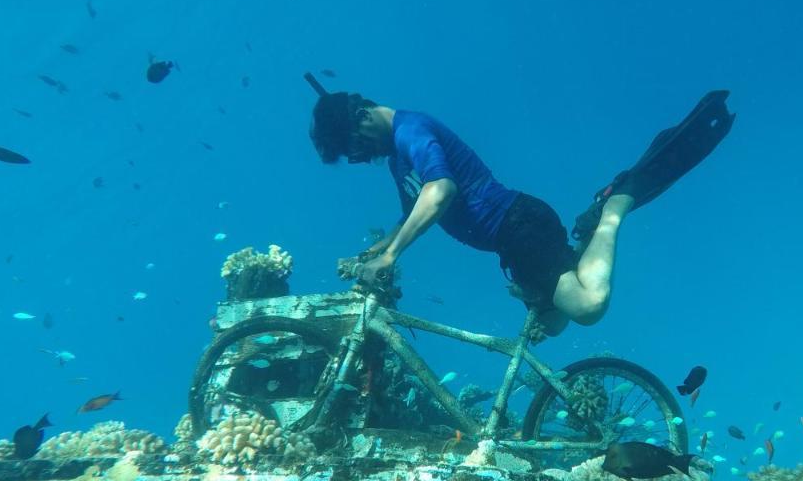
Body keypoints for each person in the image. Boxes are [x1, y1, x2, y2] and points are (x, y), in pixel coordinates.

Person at [305, 73, 734, 337]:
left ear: (362, 117)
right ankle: (587, 230)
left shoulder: (411, 132)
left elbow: (441, 191)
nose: (364, 157)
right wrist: (374, 252)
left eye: (356, 149)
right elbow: (410, 214)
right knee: (553, 325)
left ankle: (613, 208)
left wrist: (394, 254)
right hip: (511, 242)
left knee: (587, 308)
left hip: (519, 226)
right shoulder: (398, 157)